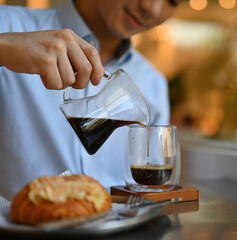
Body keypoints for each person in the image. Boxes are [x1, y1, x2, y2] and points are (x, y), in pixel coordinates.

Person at [0, 0, 179, 200]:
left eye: (173, 1)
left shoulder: (154, 83)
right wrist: (3, 49)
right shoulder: (6, 25)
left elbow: (150, 194)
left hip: (117, 228)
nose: (152, 8)